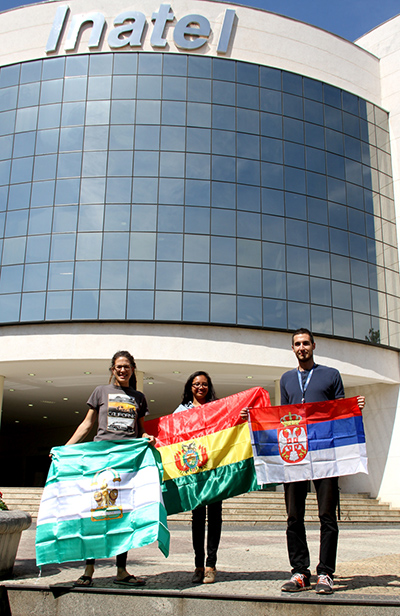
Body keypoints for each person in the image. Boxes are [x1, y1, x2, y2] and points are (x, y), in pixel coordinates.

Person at [279, 328, 365, 595]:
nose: (302, 347)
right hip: (296, 453)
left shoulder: (331, 375)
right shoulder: (286, 379)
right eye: (297, 344)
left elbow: (340, 411)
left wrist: (354, 406)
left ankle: (325, 573)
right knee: (294, 516)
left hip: (326, 453)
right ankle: (300, 572)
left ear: (314, 346)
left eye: (306, 343)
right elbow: (282, 415)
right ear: (293, 349)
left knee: (327, 515)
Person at [65, 350, 156, 588]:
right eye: (118, 367)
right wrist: (65, 448)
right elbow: (87, 424)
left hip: (127, 462)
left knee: (123, 514)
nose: (123, 370)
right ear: (113, 369)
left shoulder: (139, 397)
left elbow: (140, 430)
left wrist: (147, 438)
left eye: (126, 366)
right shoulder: (100, 392)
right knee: (95, 512)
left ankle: (121, 570)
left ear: (133, 369)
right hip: (101, 459)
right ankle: (88, 569)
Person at [174, 371, 221, 584]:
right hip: (194, 471)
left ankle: (211, 564)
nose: (200, 387)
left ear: (209, 387)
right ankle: (198, 566)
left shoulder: (218, 407)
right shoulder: (182, 410)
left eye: (204, 384)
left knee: (215, 517)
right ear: (189, 386)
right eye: (196, 384)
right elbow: (171, 432)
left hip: (215, 471)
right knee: (198, 518)